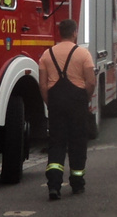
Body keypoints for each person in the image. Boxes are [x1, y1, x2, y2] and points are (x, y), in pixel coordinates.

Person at [40, 18, 97, 200]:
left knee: (56, 143)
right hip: (77, 103)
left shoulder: (46, 55)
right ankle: (77, 182)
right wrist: (86, 99)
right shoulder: (83, 54)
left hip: (56, 103)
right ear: (74, 33)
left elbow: (42, 85)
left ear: (59, 33)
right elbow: (91, 81)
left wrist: (49, 102)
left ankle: (54, 185)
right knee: (77, 142)